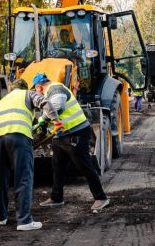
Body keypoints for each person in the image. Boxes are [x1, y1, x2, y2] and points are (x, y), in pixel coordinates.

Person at [32, 73, 111, 213]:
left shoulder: (55, 88)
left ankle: (101, 197)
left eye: (35, 90)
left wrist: (43, 118)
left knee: (84, 165)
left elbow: (58, 106)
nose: (37, 92)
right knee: (57, 166)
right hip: (62, 134)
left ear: (39, 87)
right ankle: (57, 197)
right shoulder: (52, 90)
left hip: (76, 132)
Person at [0, 82, 60, 231]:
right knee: (23, 177)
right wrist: (56, 120)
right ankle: (24, 221)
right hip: (18, 136)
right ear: (25, 87)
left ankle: (1, 217)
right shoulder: (27, 94)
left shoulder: (1, 101)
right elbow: (45, 102)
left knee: (1, 178)